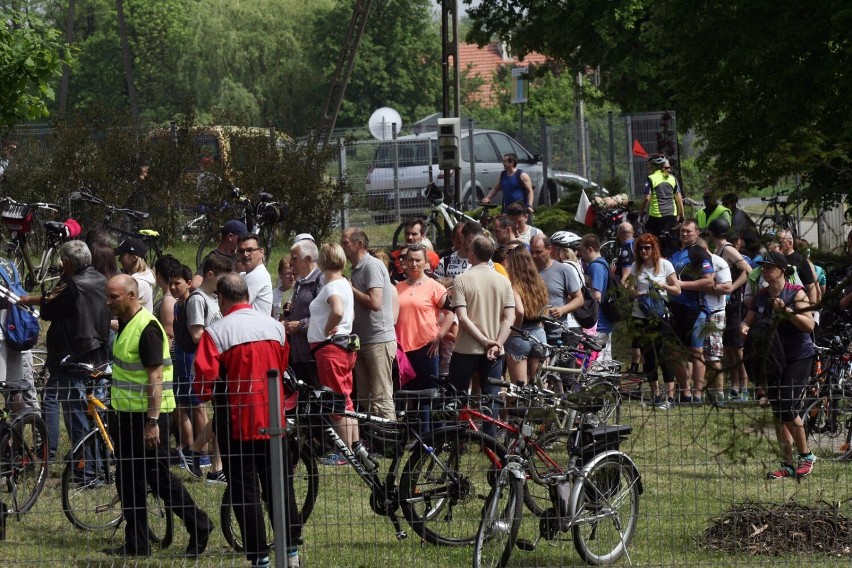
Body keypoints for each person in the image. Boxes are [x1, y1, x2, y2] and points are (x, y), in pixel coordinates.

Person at [194, 274, 302, 568]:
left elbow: (204, 384)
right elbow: (280, 368)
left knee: (245, 492)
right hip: (273, 416)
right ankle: (291, 553)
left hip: (236, 420)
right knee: (279, 487)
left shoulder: (216, 333)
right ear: (246, 294)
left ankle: (260, 558)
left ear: (221, 298)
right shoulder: (275, 327)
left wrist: (203, 394)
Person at [104, 274, 213, 558]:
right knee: (129, 481)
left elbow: (154, 379)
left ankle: (199, 523)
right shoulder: (126, 324)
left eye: (113, 297)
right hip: (127, 415)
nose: (108, 302)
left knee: (159, 479)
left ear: (131, 295)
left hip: (148, 419)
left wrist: (152, 423)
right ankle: (138, 543)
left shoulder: (147, 328)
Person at [21, 240, 110, 462]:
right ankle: (95, 462)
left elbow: (48, 310)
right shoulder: (101, 279)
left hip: (73, 356)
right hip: (97, 352)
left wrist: (63, 277)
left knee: (76, 415)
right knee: (90, 414)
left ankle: (87, 469)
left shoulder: (72, 285)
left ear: (68, 263)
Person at [741, 252, 816, 480]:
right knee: (778, 410)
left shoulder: (796, 293)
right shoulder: (762, 296)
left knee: (786, 404)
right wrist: (744, 326)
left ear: (782, 270)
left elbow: (809, 324)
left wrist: (788, 311)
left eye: (769, 267)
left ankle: (806, 456)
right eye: (763, 267)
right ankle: (788, 464)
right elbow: (749, 318)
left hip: (799, 356)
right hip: (774, 358)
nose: (764, 271)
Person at [449, 236, 514, 437]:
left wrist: (485, 341)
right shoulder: (503, 281)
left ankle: (458, 437)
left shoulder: (461, 279)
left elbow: (462, 317)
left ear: (472, 253)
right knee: (491, 397)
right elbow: (509, 317)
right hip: (495, 350)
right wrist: (497, 343)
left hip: (466, 349)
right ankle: (490, 439)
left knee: (458, 396)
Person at [395, 243, 454, 432]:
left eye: (418, 260)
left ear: (426, 262)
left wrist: (439, 335)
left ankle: (433, 434)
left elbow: (450, 312)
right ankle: (415, 434)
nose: (413, 264)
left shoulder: (434, 286)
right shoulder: (398, 288)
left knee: (430, 394)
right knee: (409, 394)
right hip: (404, 349)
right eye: (410, 259)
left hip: (427, 346)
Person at [308, 243, 358, 464]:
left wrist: (328, 328)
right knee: (346, 400)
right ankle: (354, 448)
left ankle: (345, 454)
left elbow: (337, 310)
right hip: (343, 347)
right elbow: (347, 312)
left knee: (337, 401)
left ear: (322, 262)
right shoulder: (345, 283)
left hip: (330, 349)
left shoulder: (331, 287)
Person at [341, 227, 396, 421]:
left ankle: (391, 441)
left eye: (345, 242)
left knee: (381, 395)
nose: (342, 246)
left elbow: (375, 303)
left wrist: (351, 289)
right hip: (362, 340)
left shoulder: (371, 266)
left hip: (378, 340)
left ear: (360, 244)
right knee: (365, 396)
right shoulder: (356, 269)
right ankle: (375, 440)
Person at [626, 233, 680, 409]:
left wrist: (662, 285)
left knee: (664, 355)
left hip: (660, 317)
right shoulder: (636, 266)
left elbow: (677, 289)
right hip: (641, 315)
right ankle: (655, 393)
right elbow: (630, 289)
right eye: (640, 248)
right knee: (647, 356)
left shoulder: (664, 265)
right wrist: (636, 294)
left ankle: (670, 397)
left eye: (647, 247)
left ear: (654, 248)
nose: (643, 251)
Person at [668, 219, 714, 404]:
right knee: (675, 352)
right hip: (675, 309)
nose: (685, 234)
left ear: (697, 233)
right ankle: (685, 393)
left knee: (696, 351)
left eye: (688, 231)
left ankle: (698, 393)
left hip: (695, 310)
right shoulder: (675, 254)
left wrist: (681, 284)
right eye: (682, 231)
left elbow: (709, 282)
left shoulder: (700, 254)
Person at [707, 219, 752, 402]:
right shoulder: (719, 250)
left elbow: (748, 270)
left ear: (711, 232)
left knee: (738, 347)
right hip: (725, 305)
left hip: (734, 304)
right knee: (729, 348)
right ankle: (734, 385)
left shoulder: (728, 249)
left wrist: (731, 288)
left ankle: (744, 387)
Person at [504, 247, 549, 385]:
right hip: (539, 334)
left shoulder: (513, 286)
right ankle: (540, 407)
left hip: (520, 335)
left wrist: (513, 331)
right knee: (540, 386)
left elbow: (520, 311)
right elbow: (545, 308)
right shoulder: (539, 283)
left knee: (519, 389)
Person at [284, 239, 323, 387]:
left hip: (313, 354)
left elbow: (324, 316)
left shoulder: (320, 279)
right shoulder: (300, 282)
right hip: (299, 354)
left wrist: (300, 325)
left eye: (294, 258)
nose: (291, 263)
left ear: (308, 259)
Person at [530, 234, 584, 340]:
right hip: (533, 335)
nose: (534, 256)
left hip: (557, 335)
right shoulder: (527, 271)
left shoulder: (563, 270)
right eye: (532, 252)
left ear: (549, 249)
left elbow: (579, 299)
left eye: (538, 252)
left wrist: (562, 310)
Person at [579, 235, 614, 360]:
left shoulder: (595, 267)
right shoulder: (604, 263)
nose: (581, 256)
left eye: (582, 251)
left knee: (595, 361)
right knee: (605, 360)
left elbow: (597, 295)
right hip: (605, 322)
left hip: (599, 322)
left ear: (589, 249)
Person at [192, 219, 248, 288]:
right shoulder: (213, 259)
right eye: (240, 239)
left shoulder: (240, 257)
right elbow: (195, 283)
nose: (243, 242)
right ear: (230, 237)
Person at [639, 155, 684, 238]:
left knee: (650, 239)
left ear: (654, 167)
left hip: (657, 216)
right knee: (672, 242)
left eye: (650, 166)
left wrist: (641, 214)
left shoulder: (651, 178)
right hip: (672, 215)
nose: (649, 169)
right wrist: (681, 215)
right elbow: (679, 199)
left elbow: (646, 199)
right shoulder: (672, 178)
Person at [389, 218, 440, 282]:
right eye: (407, 233)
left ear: (422, 236)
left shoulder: (432, 257)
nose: (409, 237)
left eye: (414, 234)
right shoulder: (393, 256)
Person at [116, 237, 155, 312]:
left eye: (122, 256)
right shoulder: (142, 277)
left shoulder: (138, 282)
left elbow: (125, 310)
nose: (119, 260)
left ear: (134, 257)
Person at [237, 234, 273, 316]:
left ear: (261, 252)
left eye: (250, 250)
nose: (245, 254)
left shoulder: (258, 275)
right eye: (241, 251)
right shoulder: (246, 275)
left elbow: (234, 305)